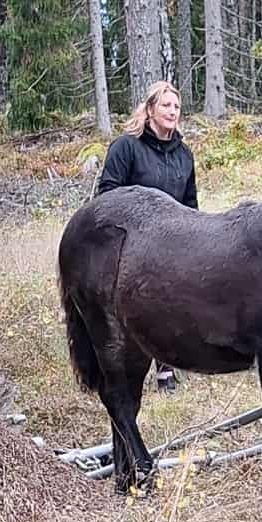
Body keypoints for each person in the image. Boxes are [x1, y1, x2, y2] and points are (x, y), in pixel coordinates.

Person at [94, 82, 198, 391]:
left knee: (175, 303)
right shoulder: (126, 147)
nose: (172, 111)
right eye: (166, 105)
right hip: (132, 246)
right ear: (150, 110)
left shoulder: (184, 155)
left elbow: (191, 202)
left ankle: (167, 367)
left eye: (176, 107)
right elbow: (107, 195)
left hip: (174, 243)